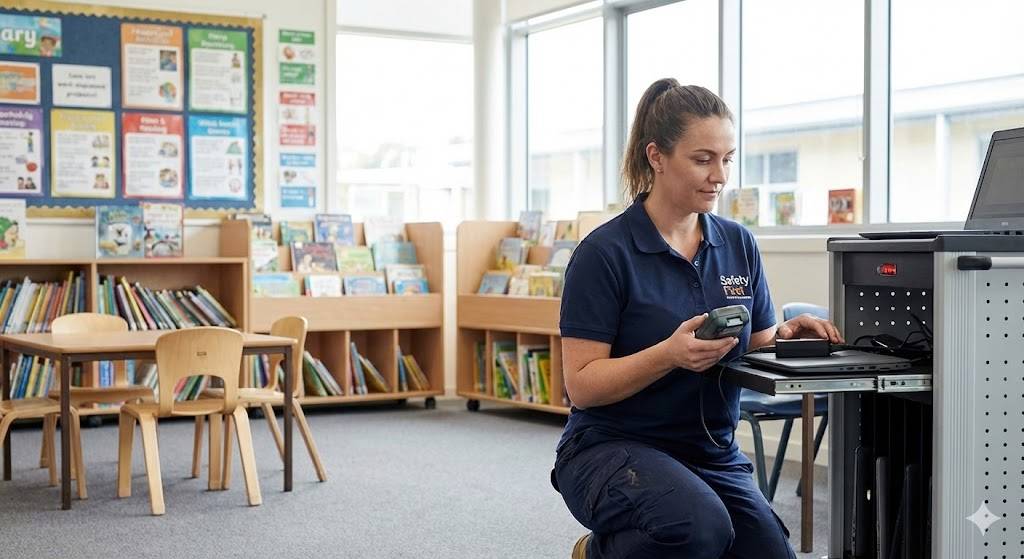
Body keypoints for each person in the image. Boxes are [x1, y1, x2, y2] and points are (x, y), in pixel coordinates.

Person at [552, 78, 843, 559]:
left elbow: (757, 342)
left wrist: (786, 336)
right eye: (703, 159)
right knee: (697, 528)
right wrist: (668, 355)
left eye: (727, 158)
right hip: (611, 447)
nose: (720, 175)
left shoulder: (738, 243)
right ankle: (597, 553)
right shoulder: (603, 254)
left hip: (710, 451)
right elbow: (582, 385)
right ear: (657, 157)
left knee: (769, 554)